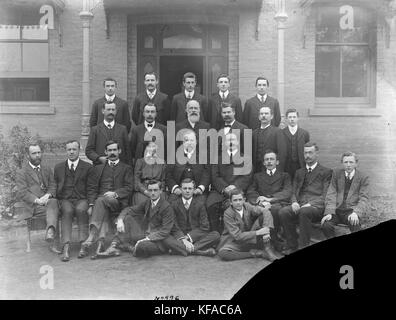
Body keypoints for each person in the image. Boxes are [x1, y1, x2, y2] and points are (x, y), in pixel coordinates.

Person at [81, 141, 133, 258]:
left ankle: (91, 236)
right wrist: (90, 205)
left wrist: (115, 194)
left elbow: (129, 188)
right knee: (101, 202)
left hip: (118, 203)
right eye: (110, 150)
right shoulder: (98, 169)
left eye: (115, 150)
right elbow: (92, 188)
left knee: (100, 200)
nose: (112, 153)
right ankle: (101, 244)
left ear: (119, 151)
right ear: (105, 152)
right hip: (103, 204)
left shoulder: (126, 168)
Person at [99, 180, 177, 258]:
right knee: (128, 218)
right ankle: (114, 246)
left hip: (157, 241)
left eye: (155, 190)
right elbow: (128, 209)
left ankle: (127, 247)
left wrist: (147, 239)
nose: (153, 193)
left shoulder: (167, 207)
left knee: (142, 246)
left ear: (161, 191)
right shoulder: (148, 203)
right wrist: (120, 220)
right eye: (150, 190)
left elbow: (165, 231)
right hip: (146, 235)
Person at [278, 142, 332, 254]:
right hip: (300, 204)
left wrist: (311, 203)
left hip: (317, 206)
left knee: (304, 211)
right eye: (305, 153)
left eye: (310, 153)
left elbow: (327, 194)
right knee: (284, 212)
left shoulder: (326, 172)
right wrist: (293, 202)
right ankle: (292, 245)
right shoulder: (299, 172)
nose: (307, 156)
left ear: (317, 154)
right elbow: (293, 191)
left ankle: (303, 247)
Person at [15, 143, 60, 253]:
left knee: (53, 202)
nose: (37, 155)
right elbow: (22, 192)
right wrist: (38, 200)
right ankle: (53, 241)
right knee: (55, 208)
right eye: (34, 153)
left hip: (48, 202)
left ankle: (50, 231)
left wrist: (47, 195)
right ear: (28, 156)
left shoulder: (46, 169)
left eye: (39, 152)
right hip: (33, 206)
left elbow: (53, 185)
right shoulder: (22, 172)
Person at [54, 140, 92, 261]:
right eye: (69, 149)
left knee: (81, 210)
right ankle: (66, 247)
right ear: (66, 151)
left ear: (79, 150)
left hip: (82, 198)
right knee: (67, 211)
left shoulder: (87, 167)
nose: (71, 152)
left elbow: (91, 188)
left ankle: (83, 245)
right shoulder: (59, 167)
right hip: (66, 199)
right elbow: (55, 186)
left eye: (74, 149)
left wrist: (91, 203)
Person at [206, 132, 252, 233]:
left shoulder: (246, 159)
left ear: (238, 143)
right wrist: (225, 187)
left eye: (233, 140)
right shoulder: (217, 159)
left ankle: (236, 234)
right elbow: (215, 176)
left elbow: (246, 177)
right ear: (223, 143)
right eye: (228, 140)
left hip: (238, 191)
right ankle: (216, 234)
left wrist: (234, 188)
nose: (231, 142)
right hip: (219, 191)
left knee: (235, 206)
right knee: (211, 205)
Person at [247, 149, 292, 253]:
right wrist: (260, 201)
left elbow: (287, 192)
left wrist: (270, 199)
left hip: (278, 203)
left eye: (272, 159)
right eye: (266, 159)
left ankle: (272, 241)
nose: (269, 161)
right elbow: (251, 191)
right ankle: (271, 243)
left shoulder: (285, 175)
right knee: (261, 213)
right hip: (261, 204)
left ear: (277, 162)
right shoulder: (257, 176)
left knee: (274, 210)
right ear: (263, 163)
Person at [217, 188, 279, 262]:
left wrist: (266, 230)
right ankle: (255, 253)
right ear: (230, 202)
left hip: (249, 239)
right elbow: (237, 236)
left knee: (264, 214)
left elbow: (264, 210)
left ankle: (268, 249)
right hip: (234, 242)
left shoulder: (247, 206)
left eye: (240, 200)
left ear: (244, 200)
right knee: (223, 253)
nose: (238, 202)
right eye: (235, 200)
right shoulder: (228, 213)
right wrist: (258, 232)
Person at [164, 178, 220, 257]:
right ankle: (200, 252)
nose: (187, 191)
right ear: (180, 189)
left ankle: (183, 249)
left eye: (190, 188)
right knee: (166, 238)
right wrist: (183, 239)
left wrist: (188, 238)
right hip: (180, 238)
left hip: (196, 238)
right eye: (185, 188)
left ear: (194, 190)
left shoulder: (200, 205)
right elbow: (173, 226)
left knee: (216, 235)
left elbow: (205, 227)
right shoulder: (174, 205)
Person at [321, 152, 369, 238]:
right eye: (346, 162)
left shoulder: (363, 177)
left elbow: (364, 198)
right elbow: (331, 194)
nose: (348, 165)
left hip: (351, 211)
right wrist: (329, 212)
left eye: (351, 162)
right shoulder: (336, 174)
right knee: (326, 225)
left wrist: (356, 213)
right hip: (337, 210)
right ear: (342, 163)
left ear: (356, 164)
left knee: (355, 223)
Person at [166, 130, 210, 204]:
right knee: (171, 204)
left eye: (192, 140)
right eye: (186, 140)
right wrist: (175, 188)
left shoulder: (203, 156)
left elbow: (207, 174)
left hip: (197, 192)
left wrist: (200, 188)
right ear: (183, 142)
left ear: (196, 142)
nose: (189, 143)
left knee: (200, 205)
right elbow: (168, 175)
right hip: (179, 191)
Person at [85, 101, 131, 165]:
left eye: (113, 110)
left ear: (116, 111)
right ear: (103, 111)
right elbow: (89, 151)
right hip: (100, 168)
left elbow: (128, 151)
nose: (111, 112)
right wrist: (99, 158)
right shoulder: (95, 130)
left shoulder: (123, 129)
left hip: (119, 169)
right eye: (108, 109)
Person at [278, 108, 310, 181]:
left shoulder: (304, 133)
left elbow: (308, 150)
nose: (292, 119)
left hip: (300, 164)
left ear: (298, 118)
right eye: (290, 117)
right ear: (286, 119)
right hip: (286, 166)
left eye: (294, 117)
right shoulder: (281, 133)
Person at [132, 141, 166, 205]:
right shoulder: (140, 162)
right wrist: (145, 191)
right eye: (150, 146)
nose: (152, 149)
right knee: (142, 204)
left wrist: (160, 190)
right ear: (146, 148)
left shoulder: (162, 162)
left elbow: (163, 180)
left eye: (154, 146)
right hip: (144, 189)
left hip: (157, 188)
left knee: (161, 204)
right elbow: (136, 180)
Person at [252, 106, 283, 173]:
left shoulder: (277, 132)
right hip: (256, 169)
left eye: (266, 113)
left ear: (271, 116)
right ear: (259, 117)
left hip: (271, 169)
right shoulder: (253, 133)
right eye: (261, 114)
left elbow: (281, 153)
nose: (263, 116)